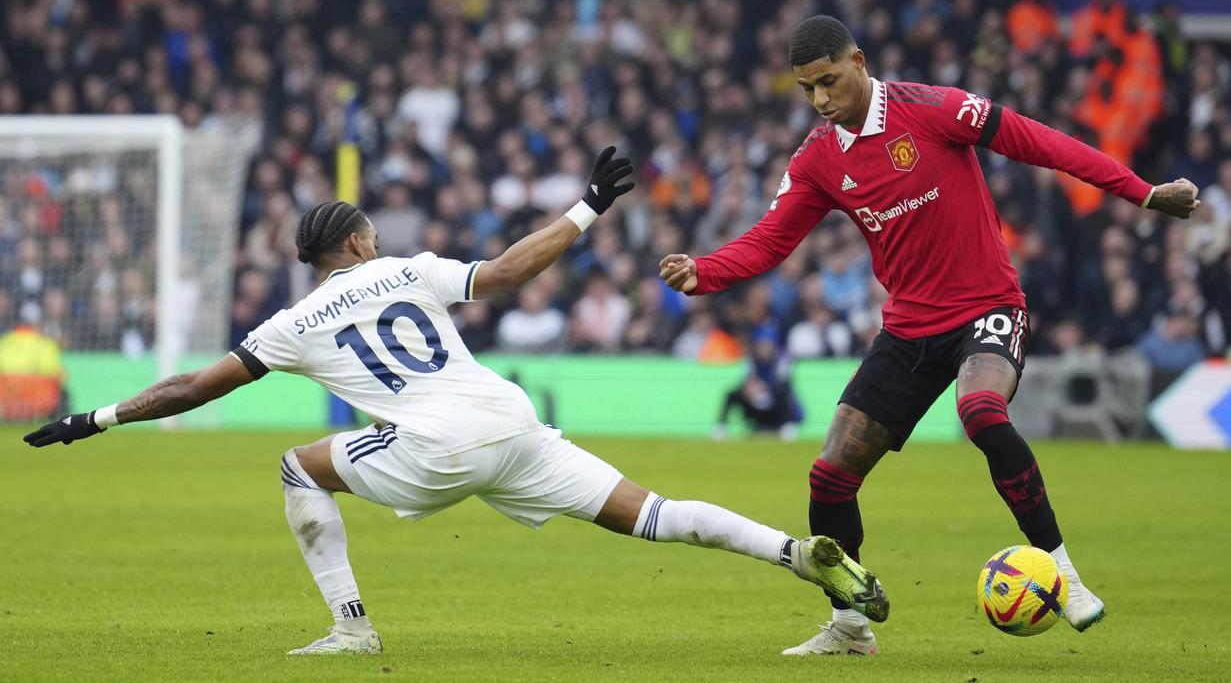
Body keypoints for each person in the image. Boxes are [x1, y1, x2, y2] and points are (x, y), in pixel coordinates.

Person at [23, 147, 888, 656]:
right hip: (512, 424)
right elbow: (510, 270)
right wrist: (587, 207)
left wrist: (93, 418)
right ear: (360, 241)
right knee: (656, 512)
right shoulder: (410, 270)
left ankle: (352, 629)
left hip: (434, 445)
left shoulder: (290, 323)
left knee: (296, 465)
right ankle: (794, 555)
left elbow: (190, 387)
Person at [658, 16, 1201, 657]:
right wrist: (706, 270)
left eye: (829, 81)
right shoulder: (818, 158)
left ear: (858, 60)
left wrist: (1140, 193)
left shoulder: (935, 109)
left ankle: (1067, 575)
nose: (822, 100)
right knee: (829, 477)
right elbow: (772, 237)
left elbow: (1040, 142)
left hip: (988, 306)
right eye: (808, 90)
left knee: (980, 411)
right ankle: (851, 627)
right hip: (910, 329)